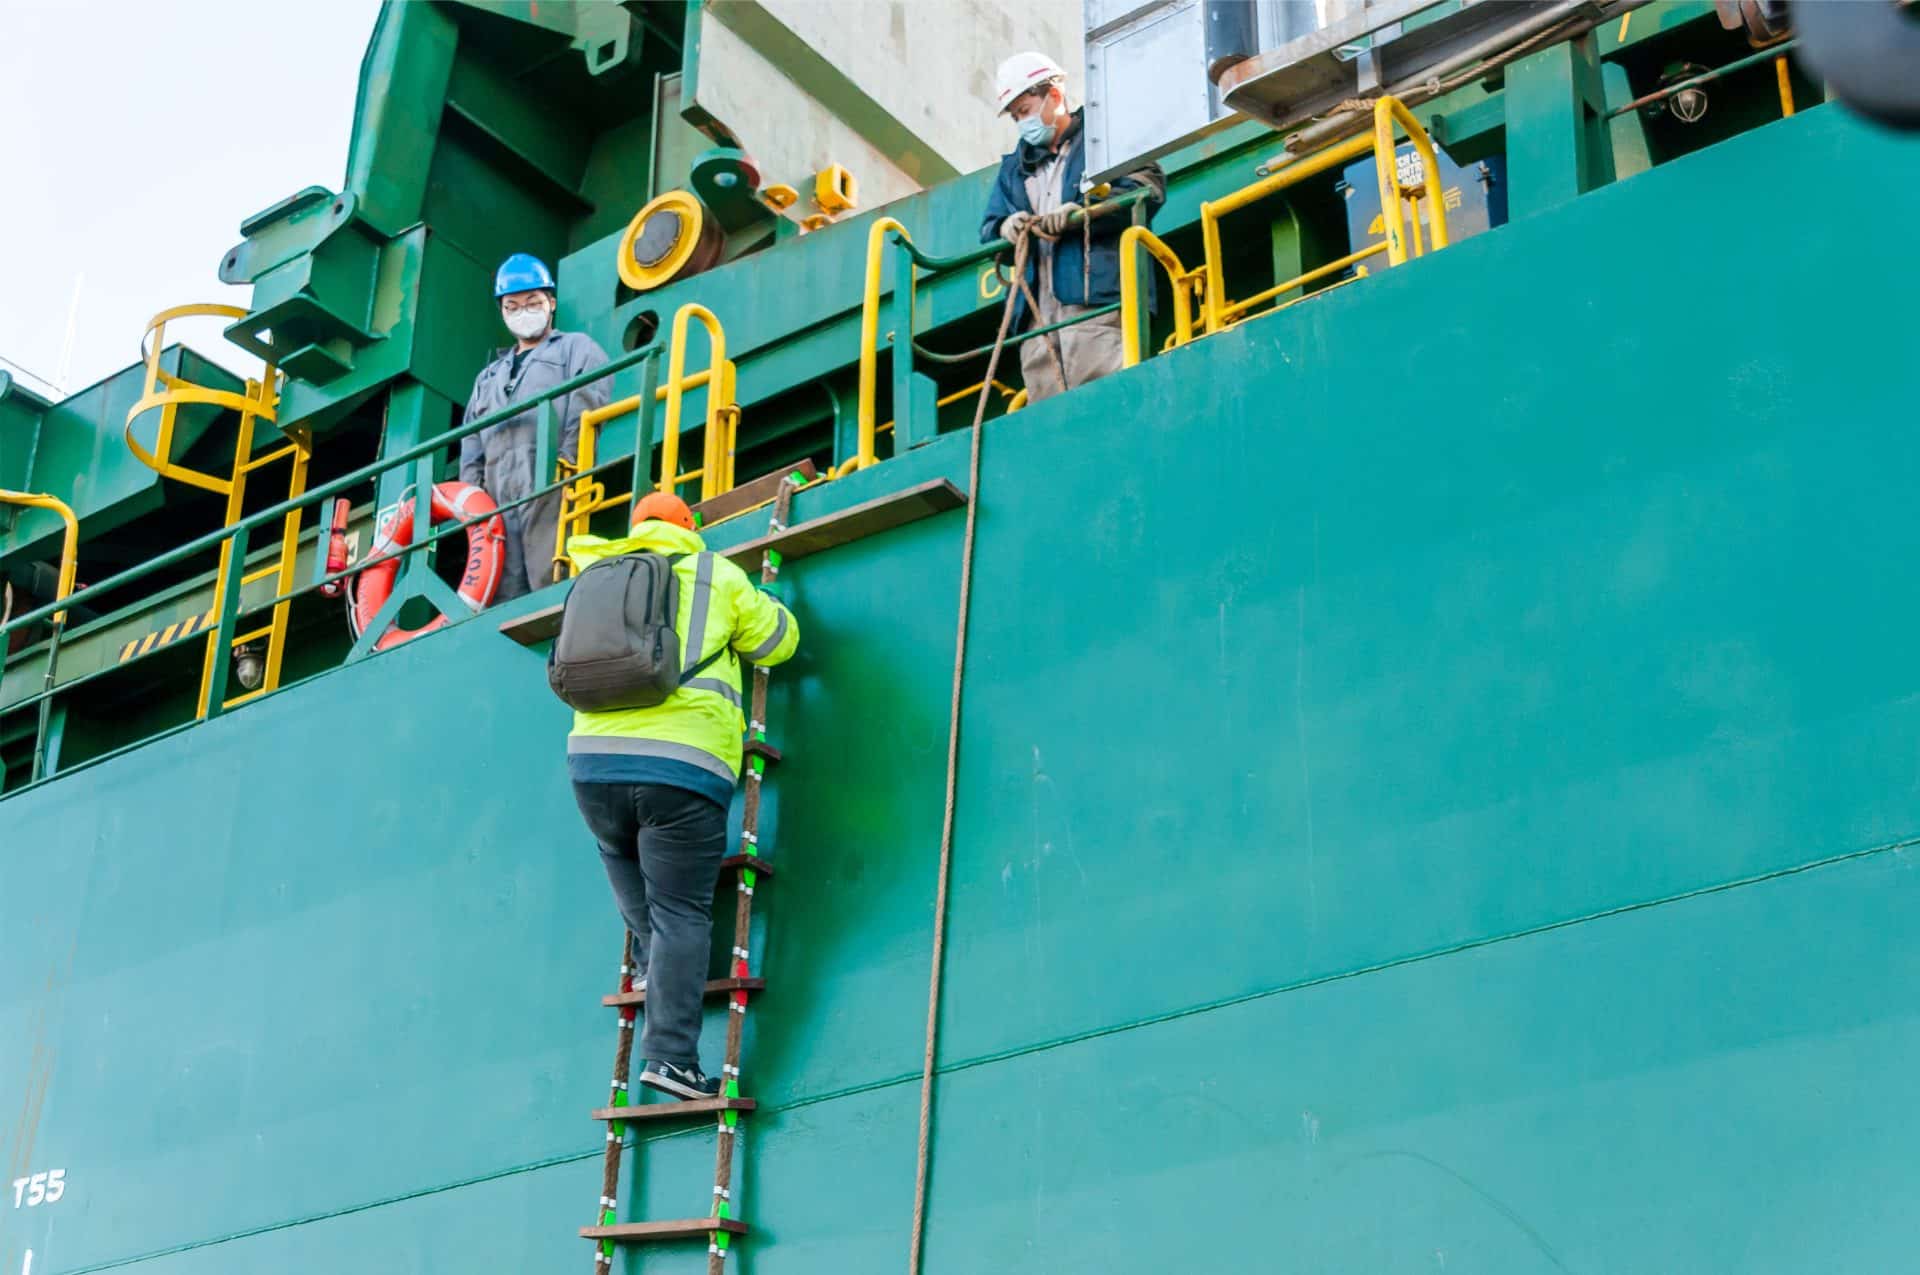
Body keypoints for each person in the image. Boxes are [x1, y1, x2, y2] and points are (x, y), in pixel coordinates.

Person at [565, 491, 800, 1100]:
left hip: (591, 768)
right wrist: (772, 606)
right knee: (681, 913)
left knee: (627, 870)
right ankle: (670, 1058)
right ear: (690, 528)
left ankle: (652, 972)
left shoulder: (597, 576)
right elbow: (778, 643)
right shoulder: (716, 574)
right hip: (680, 767)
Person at [979, 51, 1166, 403]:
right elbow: (988, 230)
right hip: (1037, 322)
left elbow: (1147, 188)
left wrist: (1083, 212)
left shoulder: (1105, 136)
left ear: (1054, 95)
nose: (1022, 123)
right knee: (1050, 419)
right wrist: (1006, 228)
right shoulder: (1013, 170)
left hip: (1095, 304)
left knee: (1108, 400)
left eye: (1025, 111)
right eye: (1016, 116)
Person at [458, 253, 612, 601]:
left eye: (532, 302)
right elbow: (471, 441)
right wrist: (472, 497)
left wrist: (568, 465)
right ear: (502, 311)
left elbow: (587, 407)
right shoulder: (488, 378)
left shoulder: (576, 349)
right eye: (512, 306)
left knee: (551, 580)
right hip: (495, 501)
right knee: (503, 593)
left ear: (551, 302)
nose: (523, 312)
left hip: (554, 483)